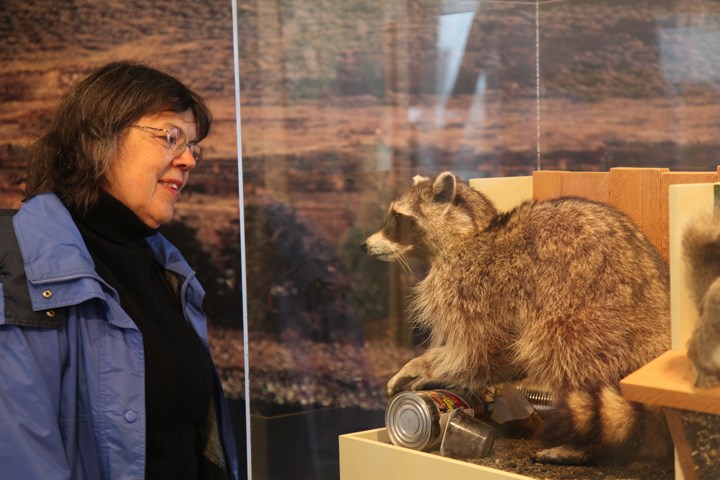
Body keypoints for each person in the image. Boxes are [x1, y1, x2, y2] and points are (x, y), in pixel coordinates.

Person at [0, 61, 239, 479]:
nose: (189, 160)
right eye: (170, 137)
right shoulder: (22, 270)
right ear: (99, 140)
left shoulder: (164, 268)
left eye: (193, 146)